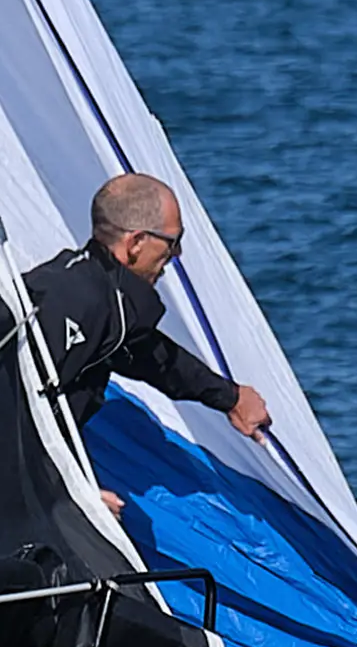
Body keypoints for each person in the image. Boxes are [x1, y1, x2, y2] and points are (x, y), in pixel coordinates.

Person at [16, 172, 275, 501]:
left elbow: (154, 359)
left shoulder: (106, 294)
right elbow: (12, 407)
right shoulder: (77, 302)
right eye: (172, 241)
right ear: (136, 242)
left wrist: (231, 397)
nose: (178, 253)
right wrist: (71, 495)